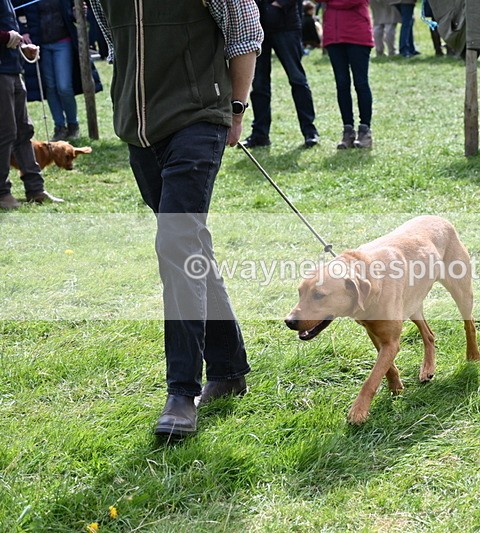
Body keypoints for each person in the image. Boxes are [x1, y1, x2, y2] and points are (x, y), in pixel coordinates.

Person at [89, 0, 262, 438]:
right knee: (189, 246)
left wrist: (236, 108)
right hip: (138, 131)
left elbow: (245, 33)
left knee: (176, 244)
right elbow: (116, 42)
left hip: (198, 119)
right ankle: (229, 369)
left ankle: (182, 394)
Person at [1, 4, 63, 210]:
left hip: (12, 68)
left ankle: (36, 190)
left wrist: (21, 46)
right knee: (5, 133)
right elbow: (5, 33)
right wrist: (5, 37)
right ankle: (2, 193)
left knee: (24, 131)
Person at [243, 0, 320, 149]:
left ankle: (310, 131)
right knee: (259, 84)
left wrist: (278, 4)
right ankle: (259, 134)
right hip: (257, 26)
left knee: (297, 79)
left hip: (286, 25)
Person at [17, 0, 81, 141]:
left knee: (64, 87)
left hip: (63, 42)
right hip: (41, 45)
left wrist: (77, 13)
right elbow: (14, 11)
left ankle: (73, 124)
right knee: (50, 87)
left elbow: (74, 12)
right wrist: (23, 31)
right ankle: (59, 127)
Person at [319, 0, 375, 149]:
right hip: (333, 35)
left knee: (361, 83)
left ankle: (365, 130)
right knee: (342, 84)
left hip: (357, 34)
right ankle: (347, 130)